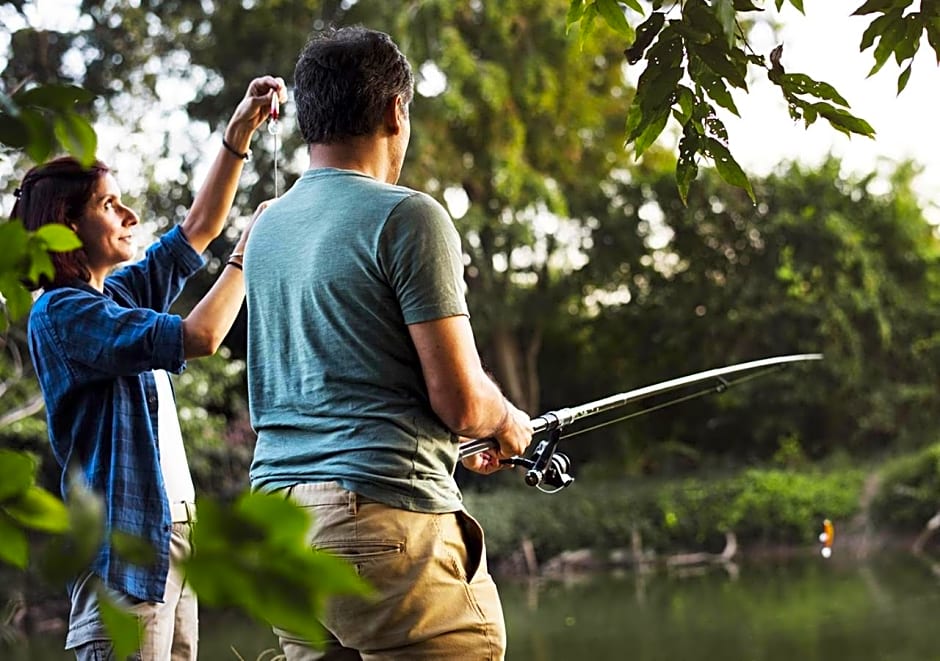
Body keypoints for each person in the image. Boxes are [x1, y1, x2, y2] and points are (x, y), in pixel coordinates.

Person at [244, 27, 532, 660]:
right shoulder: (409, 216)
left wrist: (449, 442)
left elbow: (343, 379)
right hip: (377, 519)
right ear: (395, 110)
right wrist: (507, 422)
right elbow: (460, 398)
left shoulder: (266, 227)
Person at [19, 75, 286, 661]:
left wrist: (238, 132)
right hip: (125, 551)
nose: (129, 213)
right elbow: (202, 335)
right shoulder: (64, 313)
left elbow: (195, 231)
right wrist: (247, 256)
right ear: (66, 224)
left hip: (171, 539)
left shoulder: (113, 296)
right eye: (109, 204)